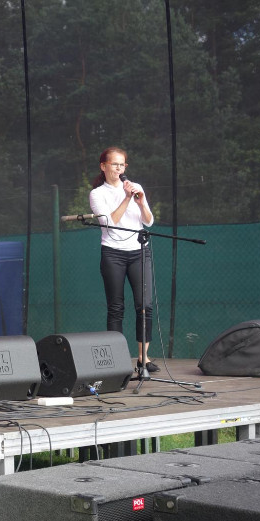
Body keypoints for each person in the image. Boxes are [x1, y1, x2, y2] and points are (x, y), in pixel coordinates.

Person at [88, 146, 159, 374]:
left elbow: (148, 221)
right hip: (113, 253)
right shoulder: (98, 194)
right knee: (116, 307)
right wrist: (127, 198)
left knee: (145, 306)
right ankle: (117, 361)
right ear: (103, 166)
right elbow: (110, 223)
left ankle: (143, 359)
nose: (119, 169)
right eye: (114, 164)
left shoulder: (135, 188)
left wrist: (141, 201)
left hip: (139, 251)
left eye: (122, 165)